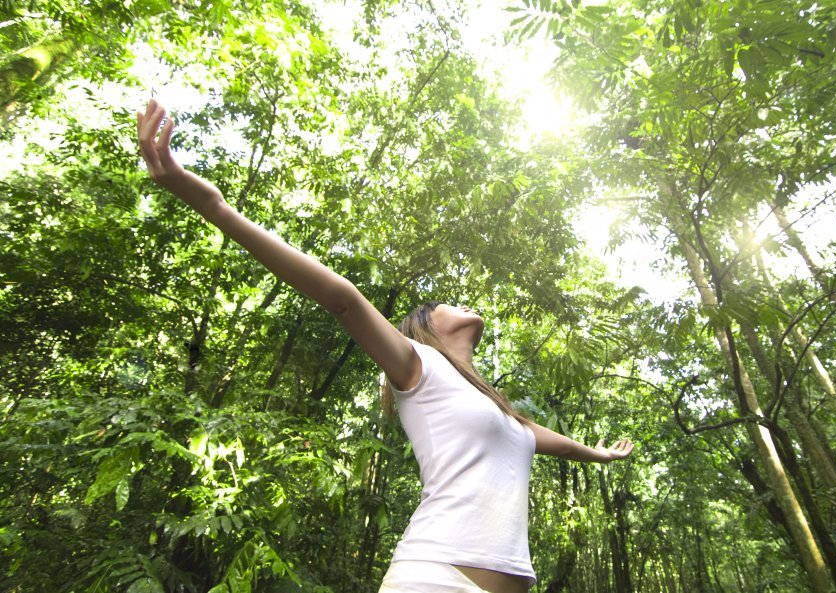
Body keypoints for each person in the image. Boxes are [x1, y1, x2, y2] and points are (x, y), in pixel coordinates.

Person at [137, 99, 634, 593]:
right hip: (435, 576)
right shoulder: (420, 365)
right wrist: (213, 205)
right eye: (444, 302)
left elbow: (554, 442)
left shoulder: (497, 408)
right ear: (425, 328)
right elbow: (344, 299)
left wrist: (601, 455)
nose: (458, 302)